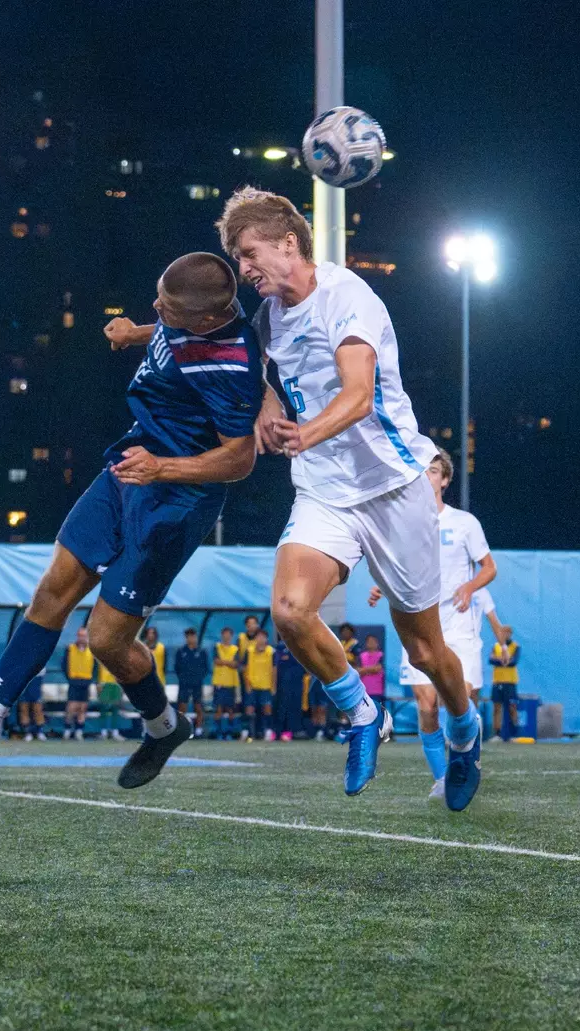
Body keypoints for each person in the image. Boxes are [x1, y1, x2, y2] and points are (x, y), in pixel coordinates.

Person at [0, 251, 263, 793]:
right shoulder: (189, 322)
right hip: (129, 468)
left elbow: (240, 459)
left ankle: (164, 728)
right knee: (52, 589)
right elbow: (174, 333)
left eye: (164, 305)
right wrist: (136, 333)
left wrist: (163, 468)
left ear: (200, 320)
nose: (155, 305)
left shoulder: (233, 366)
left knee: (105, 640)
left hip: (177, 503)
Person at [220, 188, 484, 810]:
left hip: (395, 488)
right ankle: (362, 714)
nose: (244, 269)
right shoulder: (268, 316)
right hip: (325, 493)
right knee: (288, 610)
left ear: (289, 244)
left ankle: (465, 732)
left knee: (425, 648)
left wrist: (301, 432)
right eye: (237, 259)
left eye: (250, 253)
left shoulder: (348, 297)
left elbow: (359, 394)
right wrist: (266, 402)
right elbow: (255, 359)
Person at [368, 451, 496, 797]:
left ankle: (465, 754)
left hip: (457, 625)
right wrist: (382, 583)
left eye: (434, 470)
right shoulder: (403, 524)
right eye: (422, 470)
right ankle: (444, 779)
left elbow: (489, 567)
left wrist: (469, 586)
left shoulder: (465, 523)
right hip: (419, 625)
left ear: (445, 480)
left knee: (458, 698)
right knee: (426, 706)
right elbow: (395, 566)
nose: (427, 475)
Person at [61, 626, 97, 740]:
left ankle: (79, 731)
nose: (82, 638)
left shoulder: (92, 650)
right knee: (71, 707)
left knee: (83, 707)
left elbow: (95, 667)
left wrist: (91, 679)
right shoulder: (70, 648)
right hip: (74, 680)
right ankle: (67, 729)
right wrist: (70, 678)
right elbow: (64, 664)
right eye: (80, 635)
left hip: (86, 681)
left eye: (84, 636)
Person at [173, 628, 211, 736]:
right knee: (182, 707)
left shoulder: (201, 651)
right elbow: (177, 668)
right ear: (186, 638)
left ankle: (198, 729)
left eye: (193, 636)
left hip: (197, 684)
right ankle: (181, 730)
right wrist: (183, 678)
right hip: (184, 683)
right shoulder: (181, 651)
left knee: (198, 706)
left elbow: (205, 668)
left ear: (196, 637)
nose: (191, 638)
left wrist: (198, 678)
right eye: (188, 636)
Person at [243, 618, 276, 740]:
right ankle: (247, 732)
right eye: (258, 637)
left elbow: (274, 671)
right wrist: (247, 684)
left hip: (266, 686)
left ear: (266, 639)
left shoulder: (271, 651)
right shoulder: (249, 651)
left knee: (267, 709)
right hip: (252, 685)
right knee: (249, 709)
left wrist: (273, 686)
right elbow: (245, 669)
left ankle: (267, 731)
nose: (261, 639)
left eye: (263, 637)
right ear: (255, 639)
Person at [274, 632, 309, 740]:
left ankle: (295, 730)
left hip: (297, 682)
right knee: (282, 706)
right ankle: (281, 731)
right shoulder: (279, 647)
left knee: (296, 705)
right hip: (283, 682)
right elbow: (279, 663)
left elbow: (305, 663)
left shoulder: (300, 646)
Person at [490, 625, 522, 741]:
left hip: (510, 682)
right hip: (497, 681)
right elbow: (490, 660)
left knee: (512, 707)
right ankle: (497, 734)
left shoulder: (516, 646)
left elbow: (514, 662)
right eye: (502, 633)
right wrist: (504, 659)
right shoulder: (496, 646)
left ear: (510, 634)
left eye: (507, 633)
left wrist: (498, 659)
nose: (504, 635)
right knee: (496, 708)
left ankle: (514, 734)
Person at [210, 626, 242, 739]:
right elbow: (216, 661)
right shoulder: (217, 647)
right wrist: (229, 663)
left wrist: (224, 662)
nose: (226, 636)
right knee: (218, 708)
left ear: (231, 636)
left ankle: (230, 732)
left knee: (230, 709)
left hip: (231, 683)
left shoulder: (235, 649)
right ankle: (218, 732)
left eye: (228, 634)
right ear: (222, 635)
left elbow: (236, 664)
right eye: (224, 634)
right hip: (219, 683)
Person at [97, 662, 126, 740]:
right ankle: (103, 733)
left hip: (116, 685)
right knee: (104, 709)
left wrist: (122, 686)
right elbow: (96, 672)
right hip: (104, 684)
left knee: (115, 710)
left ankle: (115, 733)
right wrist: (99, 685)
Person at [16, 667, 47, 741]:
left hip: (36, 678)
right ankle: (27, 732)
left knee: (38, 707)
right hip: (23, 678)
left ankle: (40, 731)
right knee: (24, 707)